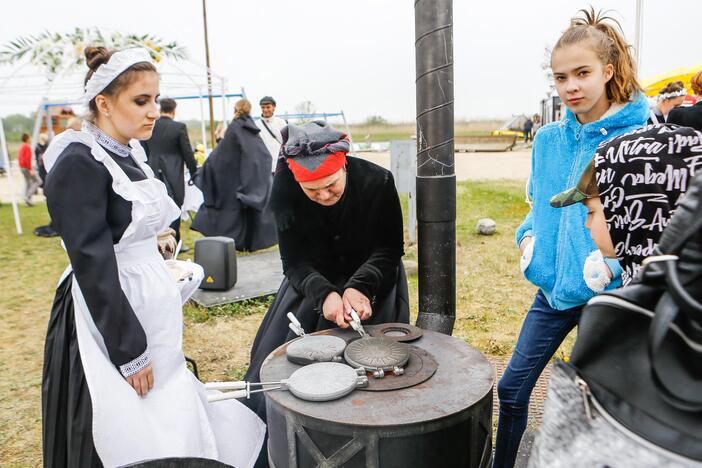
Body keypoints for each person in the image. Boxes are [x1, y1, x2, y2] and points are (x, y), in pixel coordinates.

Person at [41, 46, 264, 467]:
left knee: (166, 396)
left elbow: (126, 220)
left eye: (156, 100)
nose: (153, 112)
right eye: (140, 101)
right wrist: (128, 350)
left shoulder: (128, 152)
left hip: (147, 302)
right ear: (103, 103)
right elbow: (92, 260)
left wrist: (156, 239)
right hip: (109, 313)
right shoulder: (78, 161)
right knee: (129, 412)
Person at [494, 9, 649, 468]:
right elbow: (536, 209)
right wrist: (528, 243)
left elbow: (652, 231)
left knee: (594, 405)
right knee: (512, 387)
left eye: (582, 73)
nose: (571, 86)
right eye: (560, 77)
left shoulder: (642, 137)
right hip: (553, 289)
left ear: (609, 70)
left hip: (613, 296)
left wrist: (611, 267)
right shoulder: (546, 140)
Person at [243, 121, 409, 466]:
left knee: (375, 373)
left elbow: (389, 248)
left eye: (331, 187)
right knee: (283, 376)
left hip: (372, 282)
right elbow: (295, 262)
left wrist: (358, 287)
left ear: (343, 164)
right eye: (312, 191)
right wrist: (327, 296)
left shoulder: (378, 182)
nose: (323, 196)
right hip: (312, 285)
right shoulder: (286, 194)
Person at [550, 123, 702, 287]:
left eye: (591, 212)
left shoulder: (656, 297)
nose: (587, 224)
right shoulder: (678, 283)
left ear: (634, 210)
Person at [191, 99, 277, 252]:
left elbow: (221, 155)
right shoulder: (252, 128)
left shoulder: (235, 127)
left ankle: (238, 243)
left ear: (235, 109)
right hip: (250, 179)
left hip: (233, 181)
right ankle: (247, 243)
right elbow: (261, 155)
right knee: (247, 213)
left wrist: (204, 171)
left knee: (231, 213)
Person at [141, 97, 198, 244]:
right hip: (174, 175)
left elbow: (144, 152)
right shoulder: (179, 127)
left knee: (156, 209)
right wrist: (194, 174)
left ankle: (157, 244)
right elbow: (188, 154)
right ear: (174, 110)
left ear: (160, 109)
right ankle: (173, 242)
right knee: (174, 209)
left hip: (152, 172)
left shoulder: (150, 125)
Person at [255, 95, 286, 173]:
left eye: (268, 107)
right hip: (263, 167)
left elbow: (287, 143)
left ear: (274, 107)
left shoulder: (281, 123)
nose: (265, 110)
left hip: (280, 166)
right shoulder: (256, 125)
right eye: (263, 107)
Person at [18, 133, 40, 206]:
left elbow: (21, 158)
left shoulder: (22, 147)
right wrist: (30, 169)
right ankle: (27, 197)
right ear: (27, 139)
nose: (31, 139)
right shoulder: (27, 147)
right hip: (26, 168)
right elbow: (27, 159)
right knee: (38, 181)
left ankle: (27, 202)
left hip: (22, 167)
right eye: (30, 138)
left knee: (28, 183)